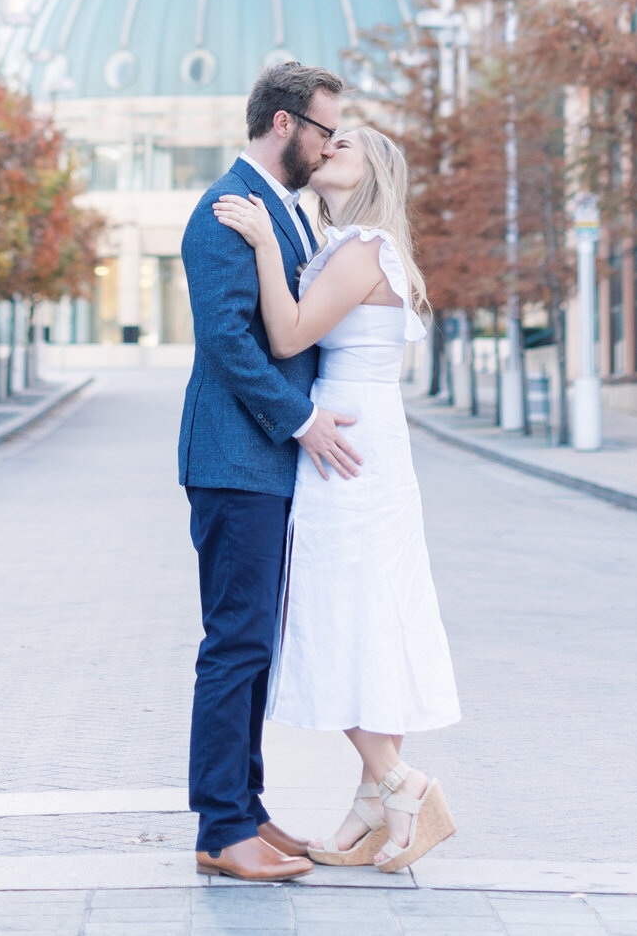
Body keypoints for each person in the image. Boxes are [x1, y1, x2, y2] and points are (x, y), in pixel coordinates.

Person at [213, 122, 459, 875]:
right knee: (366, 609)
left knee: (336, 609)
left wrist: (260, 244)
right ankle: (366, 810)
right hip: (364, 436)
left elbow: (285, 337)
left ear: (373, 172)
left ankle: (401, 786)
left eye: (343, 146)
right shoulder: (354, 246)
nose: (327, 149)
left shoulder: (360, 250)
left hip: (345, 442)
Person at [177, 60, 363, 885]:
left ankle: (247, 809)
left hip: (264, 465)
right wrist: (300, 421)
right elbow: (227, 341)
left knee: (255, 640)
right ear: (284, 124)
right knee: (235, 642)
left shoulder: (282, 213)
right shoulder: (225, 211)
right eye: (324, 129)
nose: (329, 146)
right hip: (236, 460)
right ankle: (221, 828)